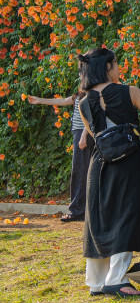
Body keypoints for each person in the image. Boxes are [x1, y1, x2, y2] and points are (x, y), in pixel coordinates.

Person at [76, 48, 140, 297]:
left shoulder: (82, 102)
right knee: (126, 216)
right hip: (127, 162)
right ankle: (117, 279)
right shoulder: (129, 92)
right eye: (116, 64)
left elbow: (93, 133)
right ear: (107, 67)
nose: (119, 68)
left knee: (100, 218)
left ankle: (98, 282)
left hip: (98, 163)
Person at [27, 90, 89, 222]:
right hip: (79, 134)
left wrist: (83, 136)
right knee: (81, 172)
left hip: (83, 135)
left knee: (80, 172)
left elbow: (91, 116)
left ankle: (77, 211)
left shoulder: (91, 93)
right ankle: (81, 210)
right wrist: (39, 99)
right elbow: (62, 101)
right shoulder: (80, 94)